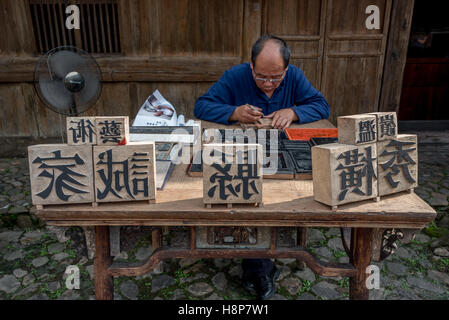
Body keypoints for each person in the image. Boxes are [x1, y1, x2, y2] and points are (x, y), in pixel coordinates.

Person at [194, 35, 330, 300]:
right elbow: (202, 105)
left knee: (278, 198)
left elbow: (321, 105)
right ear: (251, 66)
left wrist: (293, 112)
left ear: (286, 71)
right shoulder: (236, 76)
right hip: (244, 156)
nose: (268, 84)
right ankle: (259, 268)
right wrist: (234, 113)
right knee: (250, 194)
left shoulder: (295, 77)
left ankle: (259, 264)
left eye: (275, 77)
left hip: (283, 156)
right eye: (261, 77)